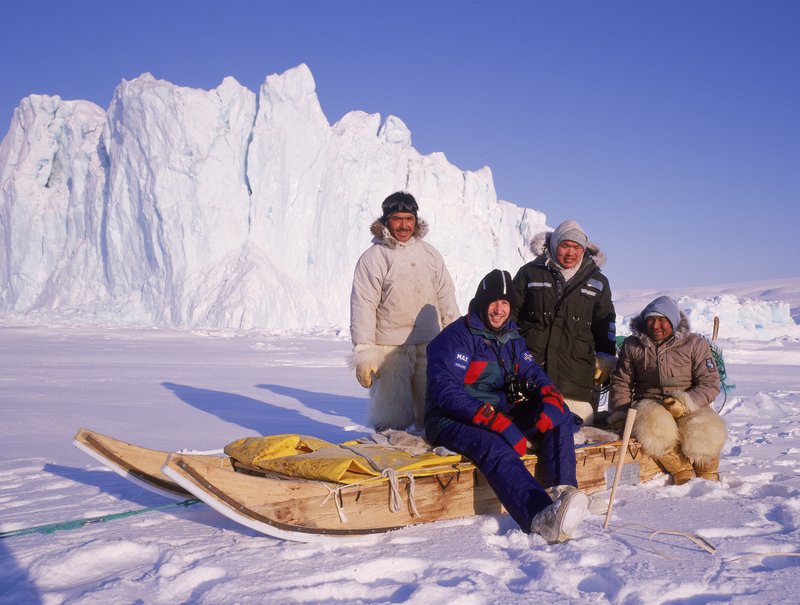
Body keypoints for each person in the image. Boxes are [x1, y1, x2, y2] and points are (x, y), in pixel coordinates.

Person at [425, 269, 589, 543]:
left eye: (505, 303)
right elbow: (445, 391)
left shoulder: (510, 336)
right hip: (450, 419)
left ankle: (561, 494)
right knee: (494, 445)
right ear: (482, 302)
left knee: (559, 412)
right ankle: (540, 518)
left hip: (497, 413)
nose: (499, 310)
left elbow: (532, 372)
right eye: (494, 302)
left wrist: (549, 394)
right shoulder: (455, 338)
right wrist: (493, 421)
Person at [350, 191, 461, 431]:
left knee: (432, 413)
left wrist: (456, 340)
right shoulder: (374, 257)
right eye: (397, 219)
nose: (404, 225)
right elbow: (363, 304)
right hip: (390, 347)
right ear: (386, 221)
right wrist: (364, 350)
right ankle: (388, 447)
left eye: (409, 219)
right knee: (391, 418)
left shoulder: (429, 254)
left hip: (431, 344)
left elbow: (445, 296)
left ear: (416, 220)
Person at [608, 295, 727, 484]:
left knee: (705, 428)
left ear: (673, 320)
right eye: (650, 320)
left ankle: (707, 474)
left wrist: (685, 404)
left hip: (689, 403)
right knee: (651, 427)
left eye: (662, 320)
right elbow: (621, 382)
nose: (655, 326)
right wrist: (621, 414)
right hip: (650, 404)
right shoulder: (632, 346)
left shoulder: (695, 344)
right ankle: (681, 470)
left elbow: (710, 383)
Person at [511, 220, 617, 425]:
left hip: (576, 381)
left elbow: (605, 326)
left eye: (577, 247)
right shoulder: (530, 273)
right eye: (565, 246)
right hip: (531, 374)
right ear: (554, 244)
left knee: (576, 434)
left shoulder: (597, 282)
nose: (571, 253)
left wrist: (606, 360)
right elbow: (511, 316)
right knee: (529, 431)